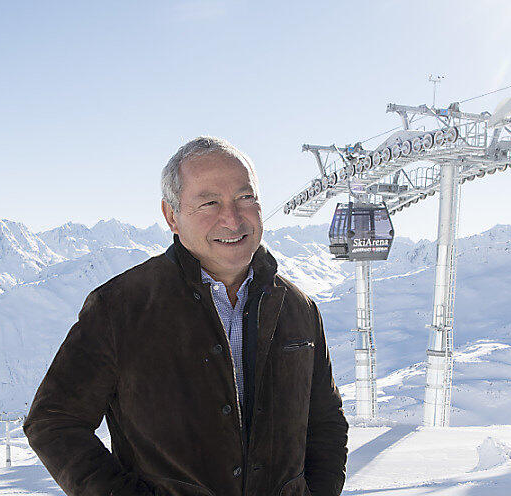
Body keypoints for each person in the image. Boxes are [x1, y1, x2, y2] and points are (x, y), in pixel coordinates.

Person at [23, 136, 349, 496]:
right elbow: (53, 421)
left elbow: (327, 423)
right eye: (209, 202)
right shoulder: (120, 308)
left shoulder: (298, 308)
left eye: (245, 197)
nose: (232, 218)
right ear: (171, 216)